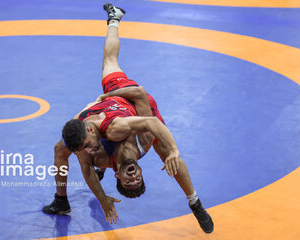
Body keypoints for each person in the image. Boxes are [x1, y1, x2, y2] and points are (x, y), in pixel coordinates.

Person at [43, 3, 214, 234]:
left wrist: (107, 96)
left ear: (117, 174)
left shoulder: (102, 138)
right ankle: (61, 200)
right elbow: (86, 163)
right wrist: (102, 198)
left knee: (109, 62)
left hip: (121, 100)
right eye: (135, 180)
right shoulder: (137, 142)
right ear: (140, 172)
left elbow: (87, 164)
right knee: (165, 152)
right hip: (139, 110)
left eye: (128, 182)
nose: (132, 178)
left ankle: (114, 19)